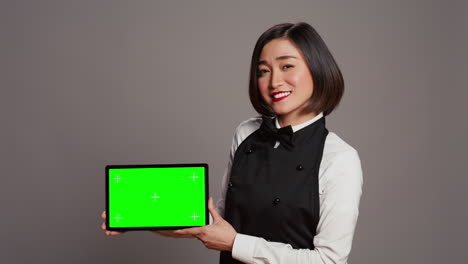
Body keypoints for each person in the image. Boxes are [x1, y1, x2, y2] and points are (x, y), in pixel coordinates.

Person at [100, 22, 363, 264]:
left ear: (317, 69)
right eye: (263, 71)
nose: (274, 81)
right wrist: (143, 216)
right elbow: (218, 225)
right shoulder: (245, 133)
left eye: (287, 66)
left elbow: (329, 260)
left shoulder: (340, 158)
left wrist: (236, 243)